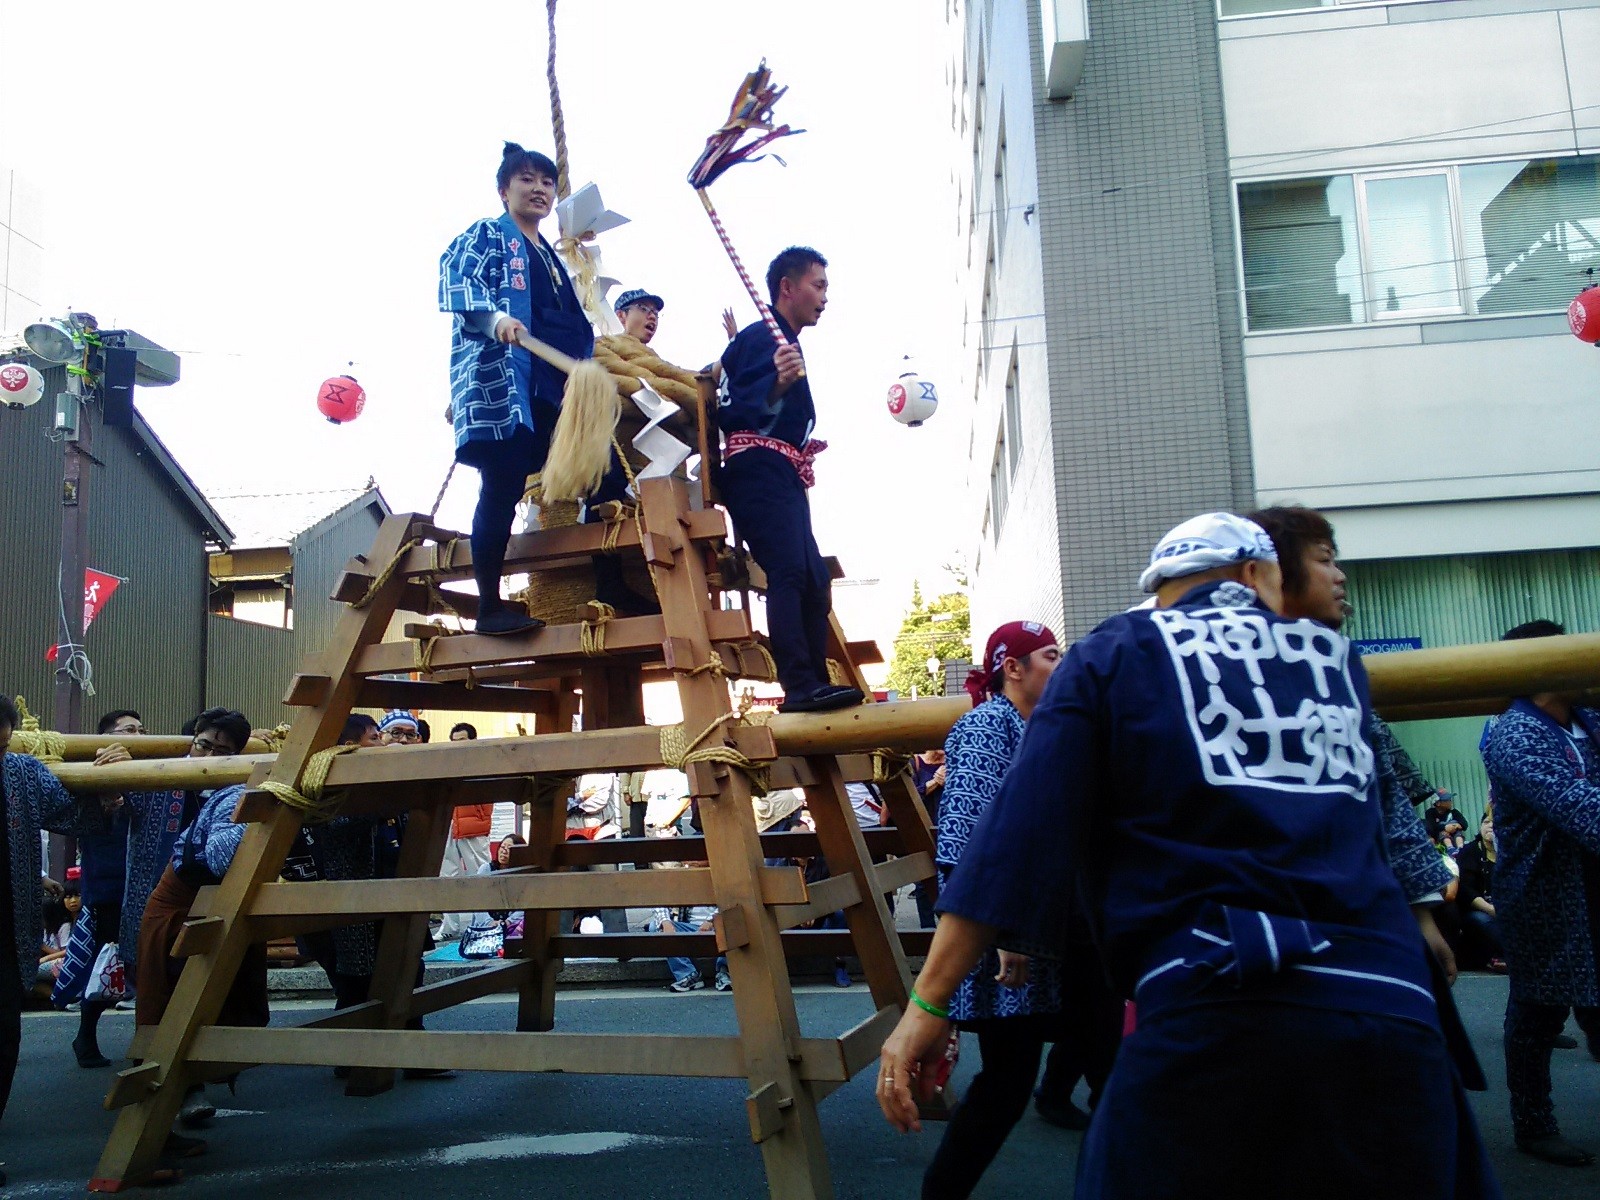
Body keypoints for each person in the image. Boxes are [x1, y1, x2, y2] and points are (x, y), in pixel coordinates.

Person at [877, 513, 1499, 1200]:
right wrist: (1421, 915)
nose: (1337, 576)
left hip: (1213, 998)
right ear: (1256, 575)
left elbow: (1013, 839)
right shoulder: (1334, 659)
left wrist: (927, 1004)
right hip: (1387, 992)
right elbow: (1378, 817)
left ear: (1163, 588)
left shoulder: (1115, 652)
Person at [440, 142, 648, 633]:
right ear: (504, 190)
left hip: (555, 384)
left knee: (602, 473)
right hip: (506, 379)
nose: (539, 189)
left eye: (547, 182)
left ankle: (609, 583)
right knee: (503, 483)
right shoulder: (487, 234)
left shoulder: (551, 258)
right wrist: (495, 320)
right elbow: (458, 281)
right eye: (527, 180)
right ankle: (489, 607)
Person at [1247, 505, 1459, 976]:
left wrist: (1421, 914)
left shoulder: (1337, 668)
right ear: (1268, 574)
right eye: (1324, 560)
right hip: (1269, 924)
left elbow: (1387, 801)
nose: (1340, 576)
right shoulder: (1227, 678)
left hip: (1359, 914)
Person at [919, 620, 1084, 1199]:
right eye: (1050, 655)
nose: (1061, 665)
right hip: (1007, 934)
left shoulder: (1049, 723)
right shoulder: (988, 724)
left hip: (1058, 928)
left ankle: (1056, 1097)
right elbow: (966, 837)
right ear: (1013, 668)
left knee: (1032, 1073)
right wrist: (1006, 933)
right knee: (1006, 1083)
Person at [715, 246, 861, 714]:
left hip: (781, 471)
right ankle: (798, 685)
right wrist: (776, 384)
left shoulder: (773, 338)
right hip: (757, 468)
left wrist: (775, 381)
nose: (825, 297)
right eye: (818, 286)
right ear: (787, 287)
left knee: (815, 577)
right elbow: (731, 411)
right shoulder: (763, 337)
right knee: (790, 571)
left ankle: (814, 680)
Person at [1480, 618, 1600, 1167]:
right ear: (1542, 667)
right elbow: (1578, 807)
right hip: (1543, 895)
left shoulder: (1588, 717)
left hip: (1592, 887)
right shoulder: (1514, 732)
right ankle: (1533, 1124)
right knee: (1537, 1015)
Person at [135, 709, 263, 1148]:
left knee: (206, 1005)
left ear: (237, 756)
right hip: (167, 904)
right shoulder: (163, 776)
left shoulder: (234, 788)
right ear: (192, 740)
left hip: (213, 907)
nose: (208, 756)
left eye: (222, 751)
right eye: (203, 744)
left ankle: (185, 1094)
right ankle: (155, 1119)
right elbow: (220, 855)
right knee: (164, 1009)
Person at [1, 695, 105, 1186]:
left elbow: (74, 812)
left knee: (4, 1038)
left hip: (7, 931)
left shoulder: (20, 772)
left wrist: (108, 778)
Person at [1455, 810, 1504, 972]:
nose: (1490, 826)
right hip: (1480, 909)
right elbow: (1465, 890)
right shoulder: (1469, 851)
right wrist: (1490, 909)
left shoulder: (1510, 852)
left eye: (1494, 821)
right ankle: (1514, 957)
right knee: (1482, 920)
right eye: (1486, 822)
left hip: (1507, 908)